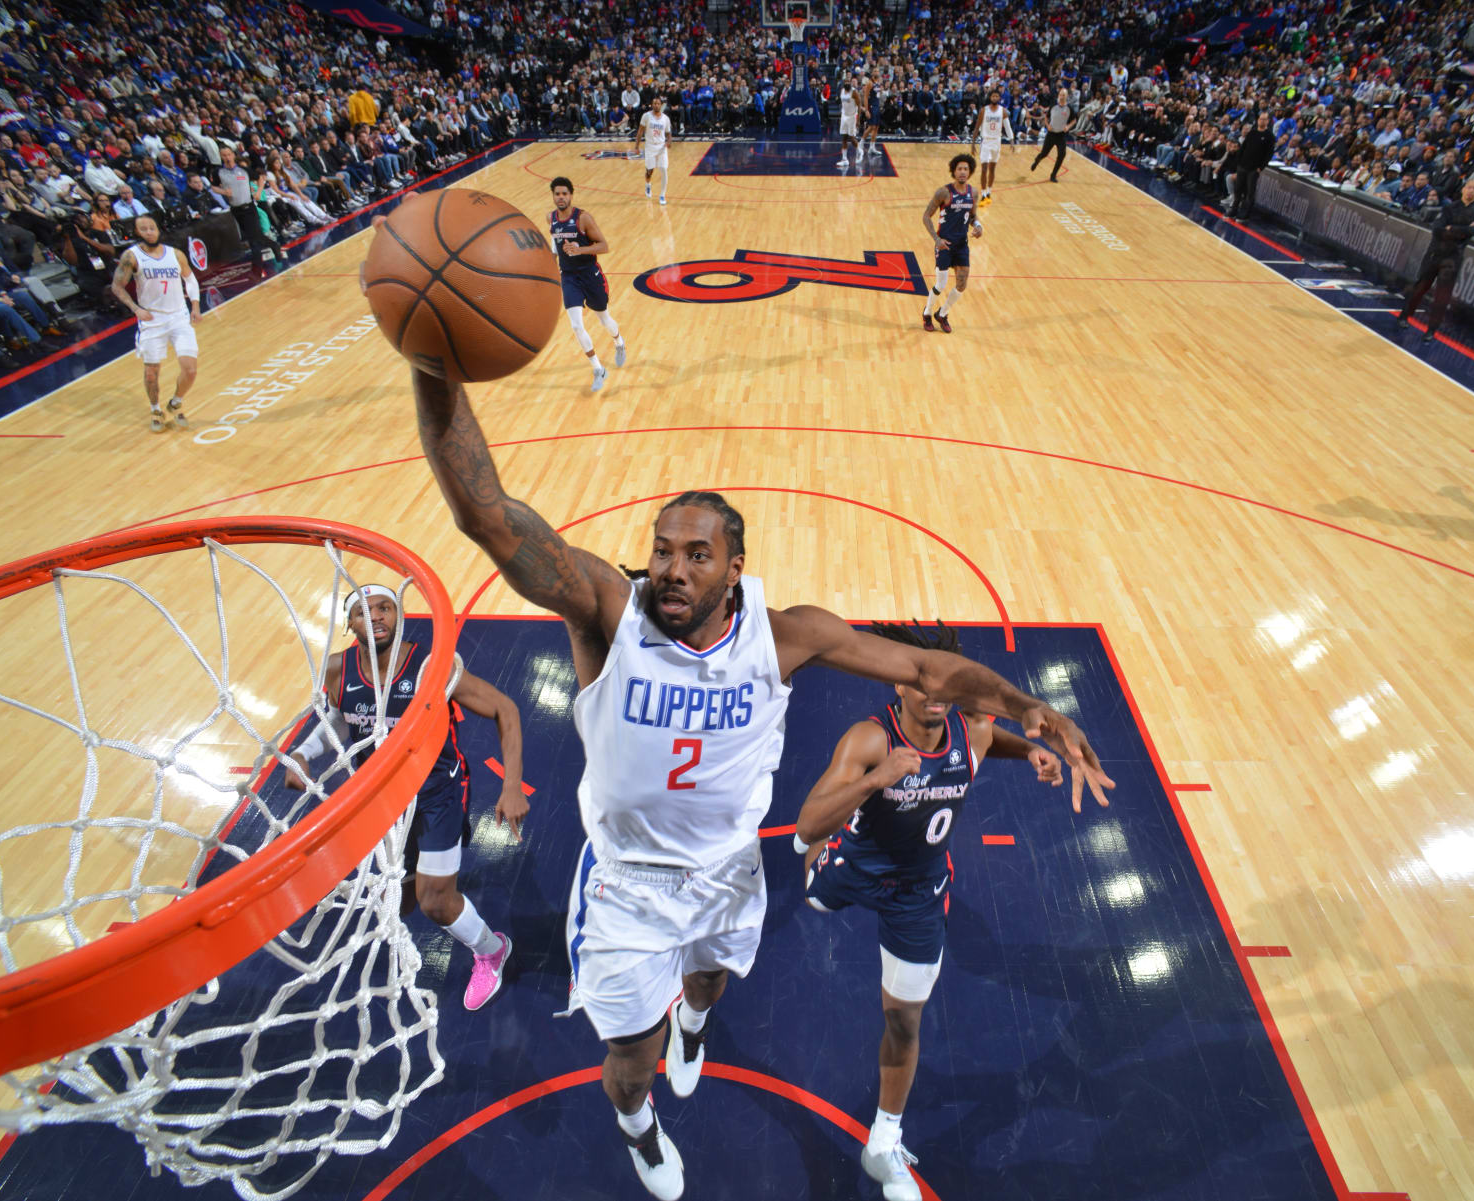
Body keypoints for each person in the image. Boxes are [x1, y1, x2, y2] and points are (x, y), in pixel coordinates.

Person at [394, 309, 1114, 1199]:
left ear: (736, 566)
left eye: (698, 554)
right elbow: (488, 514)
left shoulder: (785, 636)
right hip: (627, 884)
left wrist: (1031, 707)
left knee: (706, 987)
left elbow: (930, 666)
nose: (674, 568)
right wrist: (434, 359)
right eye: (663, 550)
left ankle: (694, 1023)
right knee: (628, 1056)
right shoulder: (606, 615)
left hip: (730, 873)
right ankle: (638, 1124)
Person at [793, 621, 1068, 1201]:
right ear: (899, 683)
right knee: (813, 886)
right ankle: (814, 859)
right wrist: (878, 780)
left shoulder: (975, 730)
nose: (937, 694)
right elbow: (808, 821)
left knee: (904, 1021)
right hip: (855, 863)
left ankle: (883, 1142)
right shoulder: (869, 741)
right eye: (924, 683)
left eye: (948, 684)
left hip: (919, 892)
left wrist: (1034, 752)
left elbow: (997, 742)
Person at [283, 584, 528, 1010]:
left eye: (384, 608)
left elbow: (505, 708)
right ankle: (430, 884)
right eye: (362, 611)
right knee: (408, 900)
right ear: (349, 624)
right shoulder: (338, 670)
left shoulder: (432, 666)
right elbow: (343, 720)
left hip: (437, 794)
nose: (374, 616)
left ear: (399, 616)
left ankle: (492, 950)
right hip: (382, 800)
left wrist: (510, 787)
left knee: (435, 902)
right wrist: (303, 755)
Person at [109, 215, 202, 433]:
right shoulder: (132, 256)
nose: (149, 231)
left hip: (179, 316)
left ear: (159, 230)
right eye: (144, 229)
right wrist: (136, 309)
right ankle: (155, 409)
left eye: (152, 227)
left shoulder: (175, 254)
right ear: (137, 232)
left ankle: (176, 402)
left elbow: (190, 279)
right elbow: (117, 286)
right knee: (151, 372)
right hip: (152, 320)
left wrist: (195, 306)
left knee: (190, 370)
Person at [549, 176, 627, 393]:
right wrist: (550, 265)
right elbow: (555, 245)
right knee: (576, 325)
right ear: (553, 196)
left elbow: (604, 246)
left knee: (604, 319)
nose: (561, 197)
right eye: (557, 194)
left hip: (589, 273)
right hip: (569, 277)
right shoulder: (551, 218)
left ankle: (619, 342)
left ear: (571, 195)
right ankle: (598, 369)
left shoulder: (583, 218)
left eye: (565, 193)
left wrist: (579, 249)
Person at [1396, 177, 1474, 343]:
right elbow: (1438, 229)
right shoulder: (1450, 207)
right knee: (1420, 287)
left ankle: (1431, 330)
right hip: (1435, 253)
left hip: (1453, 258)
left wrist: (1453, 229)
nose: (1471, 190)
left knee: (1442, 296)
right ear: (1464, 189)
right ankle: (1404, 316)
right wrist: (1463, 231)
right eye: (1469, 187)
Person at [920, 153, 982, 333]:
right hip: (944, 244)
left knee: (962, 284)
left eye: (966, 169)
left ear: (970, 172)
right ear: (954, 171)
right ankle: (927, 312)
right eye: (959, 169)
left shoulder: (973, 193)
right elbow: (926, 216)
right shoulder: (944, 192)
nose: (962, 172)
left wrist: (977, 225)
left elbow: (972, 216)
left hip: (961, 245)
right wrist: (936, 239)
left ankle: (943, 313)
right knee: (941, 284)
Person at [1231, 110, 1275, 217]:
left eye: (1264, 119)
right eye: (1260, 119)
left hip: (1254, 168)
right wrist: (1239, 161)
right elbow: (1243, 147)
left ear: (1268, 121)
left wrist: (1261, 167)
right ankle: (1234, 209)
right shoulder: (1252, 132)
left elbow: (1269, 154)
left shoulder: (1269, 136)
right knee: (1238, 189)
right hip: (1243, 165)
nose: (1262, 121)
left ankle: (1246, 212)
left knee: (1250, 191)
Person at [974, 91, 1012, 205]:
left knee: (992, 169)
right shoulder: (984, 110)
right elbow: (977, 126)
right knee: (984, 168)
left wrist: (1012, 140)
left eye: (996, 96)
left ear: (999, 98)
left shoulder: (1003, 111)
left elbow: (1007, 126)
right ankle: (983, 193)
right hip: (985, 141)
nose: (995, 98)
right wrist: (972, 143)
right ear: (990, 97)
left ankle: (989, 192)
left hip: (997, 141)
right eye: (993, 96)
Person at [634, 96, 672, 206]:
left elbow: (669, 134)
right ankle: (648, 184)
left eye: (658, 103)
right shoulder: (646, 116)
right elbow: (640, 132)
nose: (656, 105)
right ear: (652, 104)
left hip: (661, 147)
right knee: (649, 171)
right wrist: (636, 146)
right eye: (654, 103)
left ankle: (662, 195)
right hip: (650, 146)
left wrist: (669, 142)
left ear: (661, 105)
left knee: (664, 169)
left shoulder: (665, 119)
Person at [1030, 88, 1072, 182]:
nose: (1061, 97)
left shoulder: (1070, 108)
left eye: (1063, 95)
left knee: (1062, 155)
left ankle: (1053, 175)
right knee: (1044, 154)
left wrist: (1068, 126)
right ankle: (1037, 161)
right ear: (1058, 95)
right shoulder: (1053, 106)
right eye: (1060, 95)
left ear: (1067, 96)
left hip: (1061, 135)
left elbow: (1074, 120)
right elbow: (1046, 117)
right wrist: (1047, 125)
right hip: (1051, 134)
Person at [838, 72, 863, 169]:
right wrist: (841, 117)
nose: (847, 83)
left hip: (852, 116)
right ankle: (844, 159)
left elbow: (859, 105)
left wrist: (858, 119)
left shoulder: (854, 92)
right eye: (846, 81)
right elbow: (843, 105)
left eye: (849, 81)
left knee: (852, 138)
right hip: (844, 116)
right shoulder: (842, 91)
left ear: (851, 83)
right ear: (844, 82)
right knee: (844, 137)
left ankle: (860, 151)